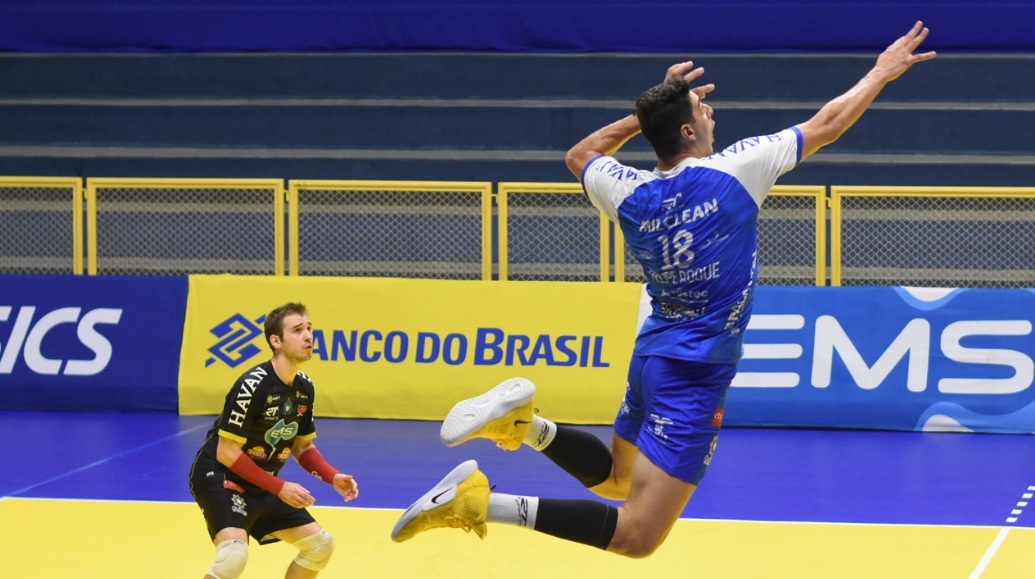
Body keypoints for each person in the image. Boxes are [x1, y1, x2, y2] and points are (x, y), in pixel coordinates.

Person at [390, 22, 936, 557]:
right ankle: (479, 502)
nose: (710, 111)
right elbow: (829, 122)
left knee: (616, 481)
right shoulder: (736, 170)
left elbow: (580, 154)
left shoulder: (631, 192)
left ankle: (523, 425)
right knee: (637, 536)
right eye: (701, 109)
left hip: (652, 356)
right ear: (687, 132)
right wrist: (881, 73)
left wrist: (643, 116)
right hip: (695, 374)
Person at [189, 302, 359, 578]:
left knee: (321, 546)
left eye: (309, 329)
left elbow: (302, 445)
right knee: (233, 556)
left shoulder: (304, 386)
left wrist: (332, 476)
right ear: (276, 341)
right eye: (297, 330)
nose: (308, 336)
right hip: (220, 476)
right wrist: (279, 487)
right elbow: (226, 451)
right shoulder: (252, 385)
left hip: (261, 481)